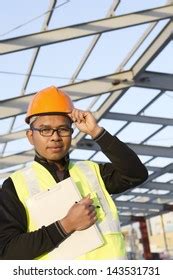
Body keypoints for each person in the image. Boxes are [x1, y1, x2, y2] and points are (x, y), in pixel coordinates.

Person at [0, 86, 148, 260]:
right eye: (45, 130)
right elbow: (7, 253)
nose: (55, 137)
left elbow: (136, 173)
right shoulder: (15, 186)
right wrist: (66, 225)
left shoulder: (92, 172)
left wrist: (97, 132)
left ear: (71, 133)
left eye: (63, 129)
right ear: (30, 136)